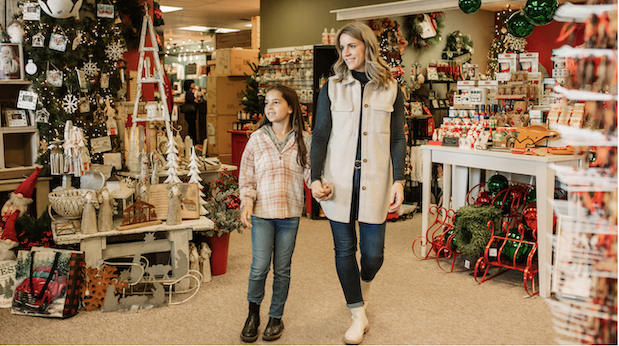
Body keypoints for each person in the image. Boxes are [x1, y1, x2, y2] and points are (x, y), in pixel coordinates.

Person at [310, 22, 406, 345]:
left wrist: (400, 179)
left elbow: (397, 139)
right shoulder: (331, 88)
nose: (346, 53)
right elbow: (320, 136)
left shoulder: (391, 88)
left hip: (375, 180)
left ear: (367, 46)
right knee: (343, 249)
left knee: (374, 255)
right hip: (337, 180)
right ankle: (357, 313)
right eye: (343, 47)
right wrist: (315, 177)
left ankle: (361, 291)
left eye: (352, 46)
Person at [239, 85, 311, 343]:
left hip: (290, 214)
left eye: (276, 102)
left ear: (290, 107)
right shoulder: (257, 139)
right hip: (262, 213)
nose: (269, 107)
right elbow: (247, 175)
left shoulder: (304, 139)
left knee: (282, 269)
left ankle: (276, 317)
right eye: (267, 103)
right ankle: (252, 315)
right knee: (259, 268)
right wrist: (246, 203)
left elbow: (310, 174)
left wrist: (320, 186)